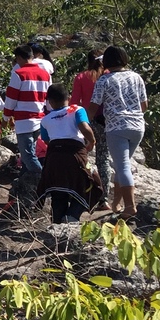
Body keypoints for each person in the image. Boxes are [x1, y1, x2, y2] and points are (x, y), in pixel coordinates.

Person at [86, 45, 147, 219]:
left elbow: (93, 108)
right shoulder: (136, 77)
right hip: (137, 126)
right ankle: (117, 204)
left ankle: (130, 207)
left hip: (116, 128)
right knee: (122, 165)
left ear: (106, 62)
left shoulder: (104, 81)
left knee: (122, 166)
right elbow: (144, 105)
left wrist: (82, 125)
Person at [37, 84, 101, 223]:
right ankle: (72, 215)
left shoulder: (45, 120)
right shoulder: (77, 110)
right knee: (90, 184)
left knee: (58, 190)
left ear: (50, 102)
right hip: (75, 155)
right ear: (69, 98)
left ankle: (57, 223)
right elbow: (84, 127)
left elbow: (46, 141)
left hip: (54, 157)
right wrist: (92, 141)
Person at [4, 44, 52, 182]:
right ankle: (25, 182)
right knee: (32, 154)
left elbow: (11, 99)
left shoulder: (18, 74)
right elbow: (48, 98)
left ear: (19, 58)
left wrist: (6, 117)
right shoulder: (45, 74)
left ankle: (45, 180)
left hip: (24, 121)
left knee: (27, 156)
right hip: (40, 119)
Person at [70, 50, 112, 199]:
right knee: (103, 158)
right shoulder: (109, 75)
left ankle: (82, 192)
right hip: (107, 121)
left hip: (86, 122)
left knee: (82, 156)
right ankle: (104, 196)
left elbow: (74, 103)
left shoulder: (81, 77)